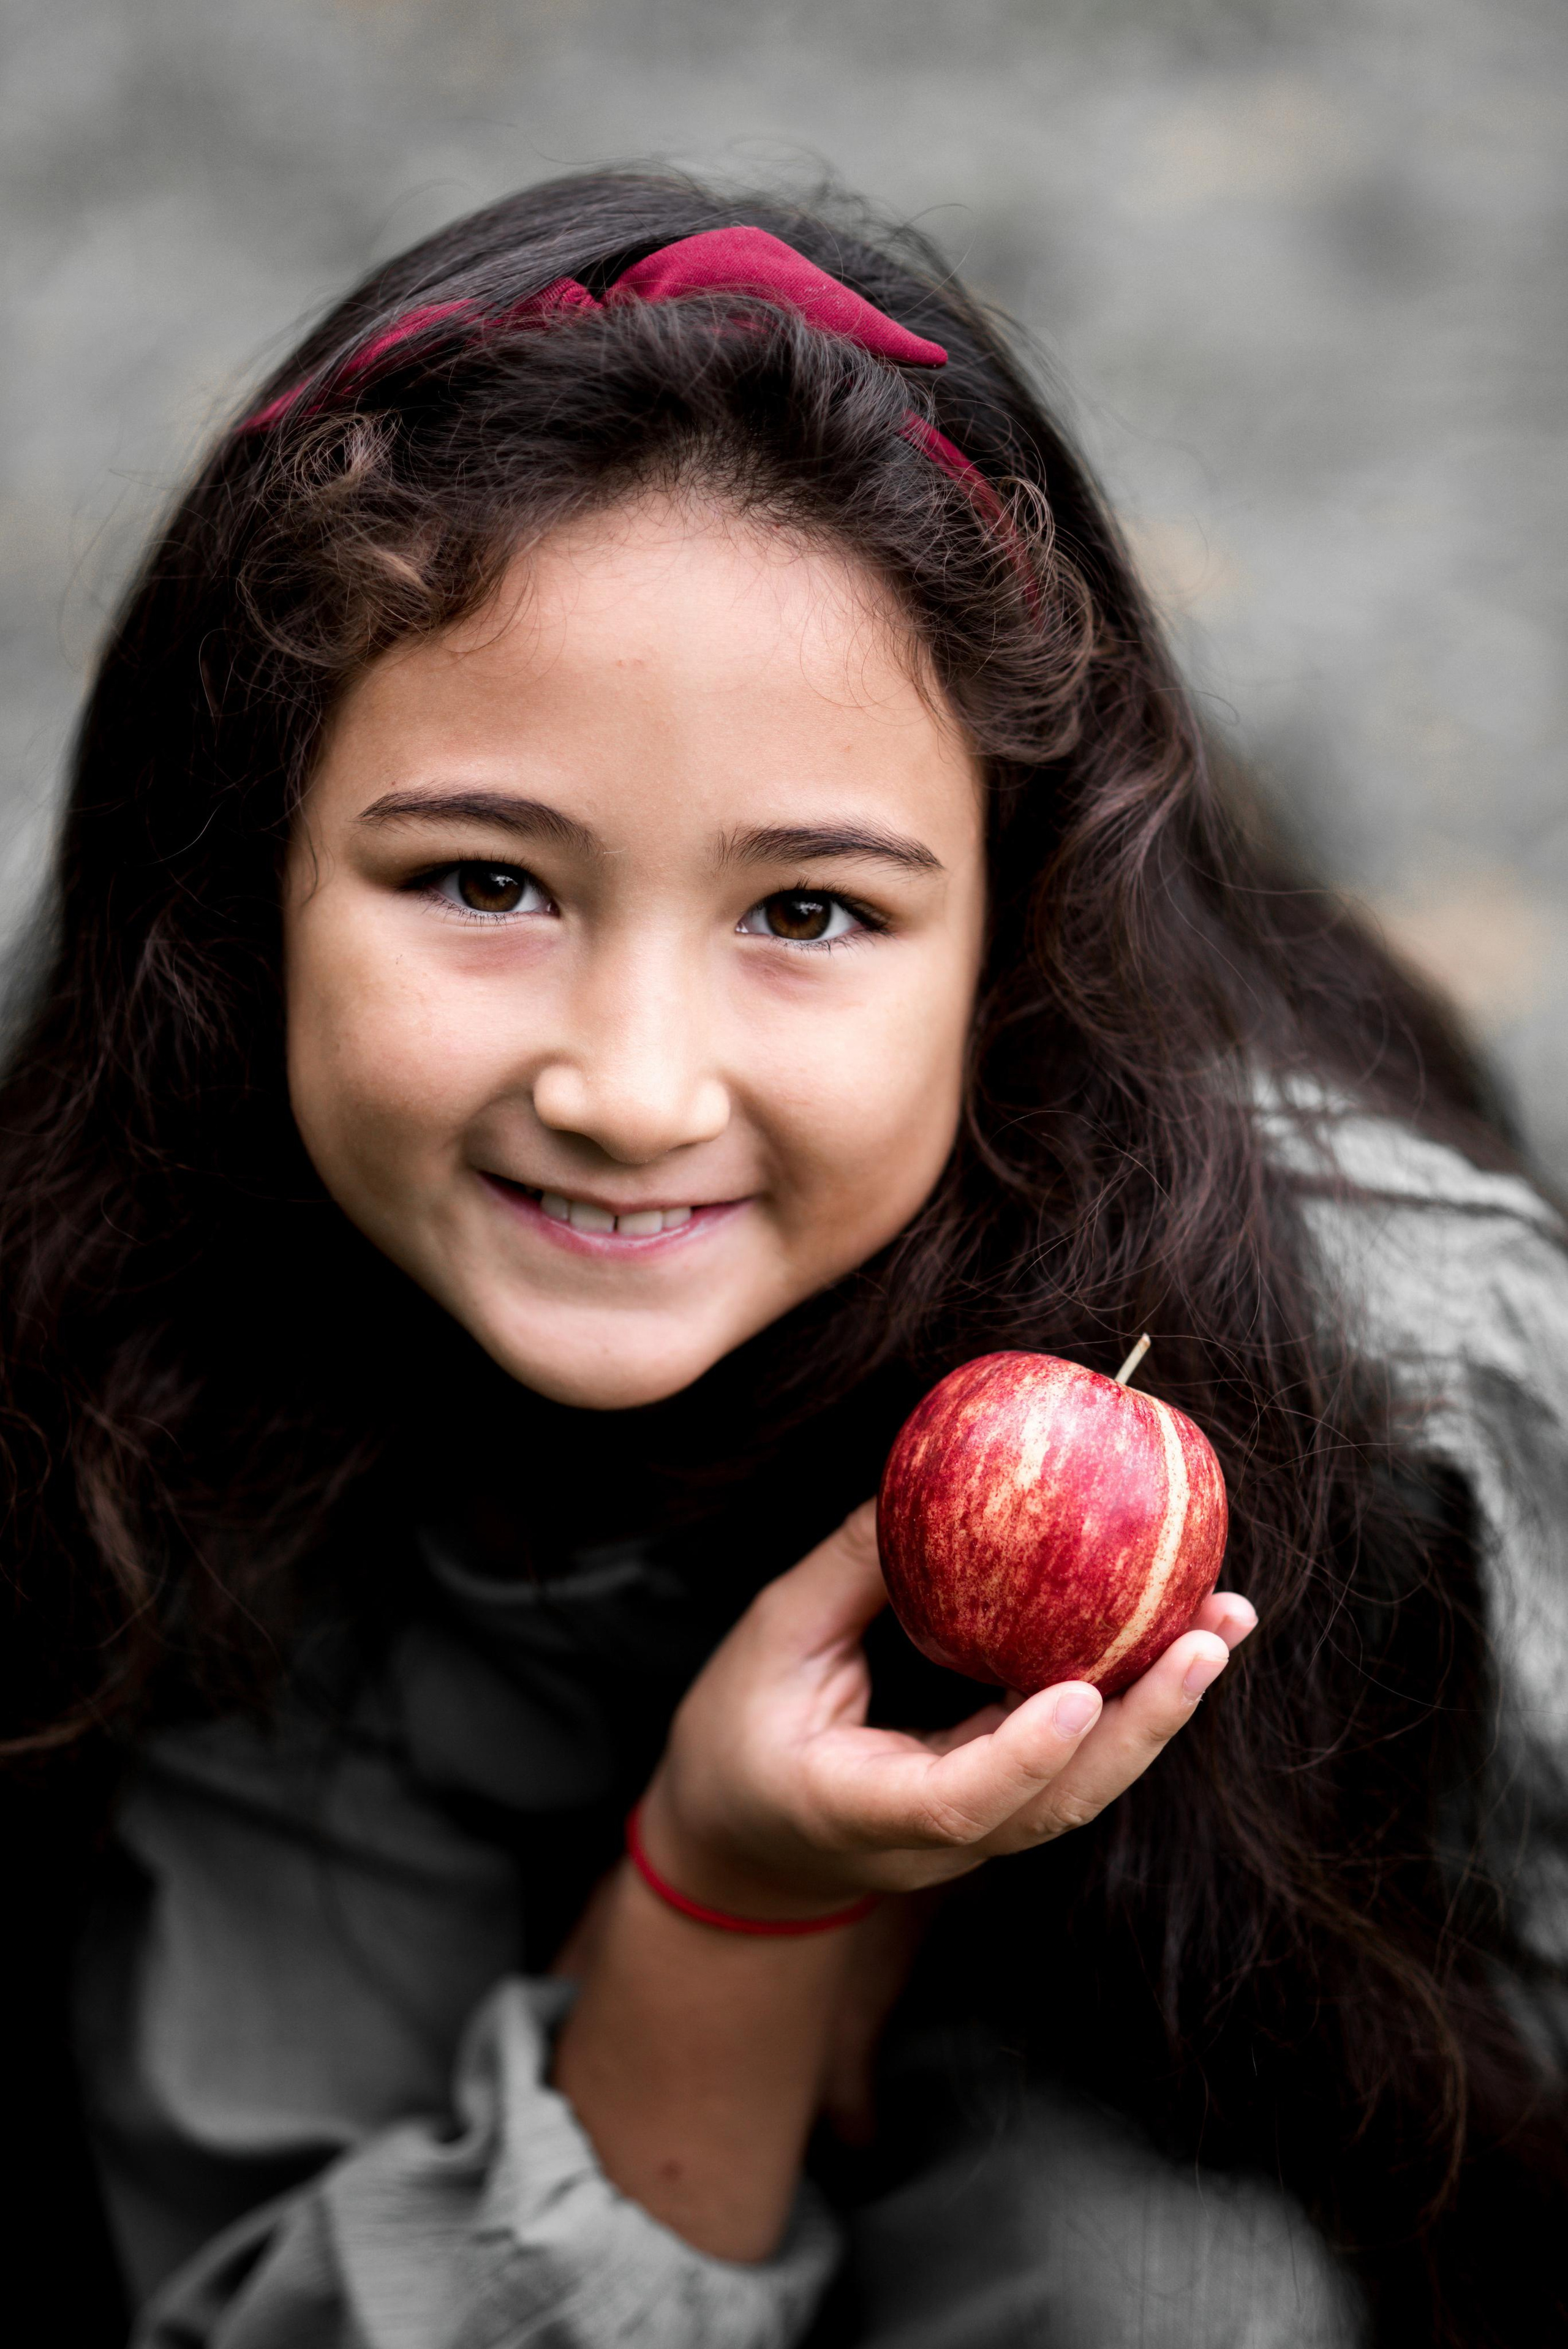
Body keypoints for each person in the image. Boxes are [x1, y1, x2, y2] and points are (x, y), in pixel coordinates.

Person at [4, 169, 1567, 2349]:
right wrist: (726, 1907)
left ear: (1013, 942)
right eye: (484, 879)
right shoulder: (172, 1348)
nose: (633, 1087)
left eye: (810, 912)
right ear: (242, 879)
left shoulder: (1363, 1384)